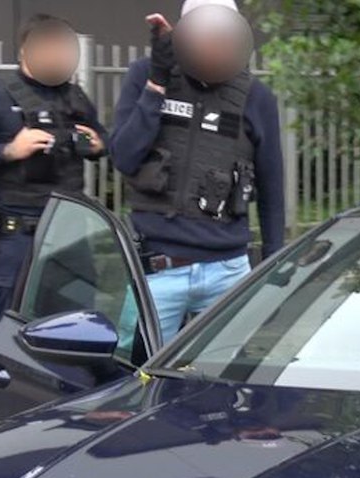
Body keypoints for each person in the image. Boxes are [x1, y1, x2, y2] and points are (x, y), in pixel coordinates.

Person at [109, 0, 285, 343]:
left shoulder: (257, 97)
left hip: (229, 272)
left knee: (224, 382)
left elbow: (271, 187)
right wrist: (157, 85)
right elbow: (125, 158)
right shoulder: (146, 76)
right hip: (157, 271)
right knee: (133, 378)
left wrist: (274, 266)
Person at [0, 14, 107, 333]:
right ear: (25, 52)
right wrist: (8, 151)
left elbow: (102, 139)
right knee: (8, 330)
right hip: (21, 234)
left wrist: (100, 145)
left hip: (70, 232)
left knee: (80, 326)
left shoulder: (75, 98)